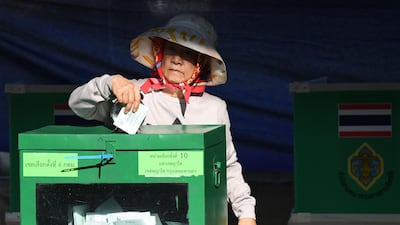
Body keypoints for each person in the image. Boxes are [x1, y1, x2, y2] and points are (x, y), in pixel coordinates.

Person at [68, 14, 257, 225]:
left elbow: (227, 165)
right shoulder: (132, 92)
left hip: (193, 213)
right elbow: (78, 105)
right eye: (172, 50)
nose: (177, 59)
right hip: (132, 213)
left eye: (187, 53)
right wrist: (109, 83)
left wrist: (246, 213)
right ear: (160, 53)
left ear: (200, 64)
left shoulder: (215, 108)